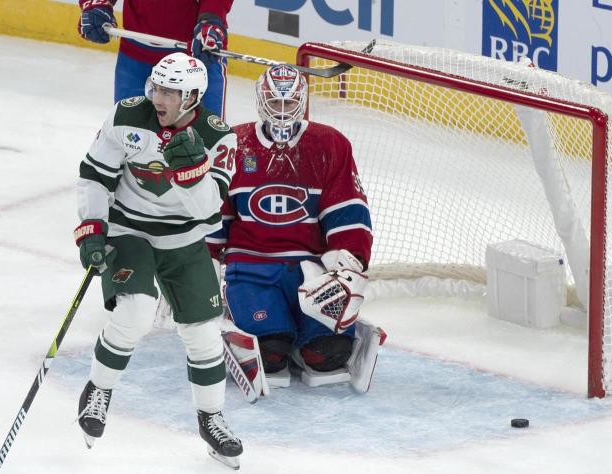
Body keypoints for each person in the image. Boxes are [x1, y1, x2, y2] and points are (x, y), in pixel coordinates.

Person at [73, 52, 242, 469]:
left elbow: (207, 213)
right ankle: (98, 390)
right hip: (128, 229)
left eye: (170, 91)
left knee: (204, 333)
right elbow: (95, 175)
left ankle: (211, 418)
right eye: (157, 87)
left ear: (192, 97)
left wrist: (192, 175)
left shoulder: (219, 137)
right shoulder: (129, 116)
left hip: (184, 239)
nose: (158, 98)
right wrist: (93, 227)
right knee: (135, 313)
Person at [207, 64, 386, 394]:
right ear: (262, 102)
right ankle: (273, 331)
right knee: (270, 353)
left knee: (328, 355)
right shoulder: (233, 144)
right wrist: (205, 260)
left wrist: (348, 256)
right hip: (252, 267)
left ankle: (307, 335)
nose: (283, 112)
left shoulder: (329, 144)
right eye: (276, 103)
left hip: (312, 272)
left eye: (290, 104)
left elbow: (347, 206)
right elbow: (216, 212)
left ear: (303, 102)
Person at [77, 0, 232, 117]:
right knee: (126, 141)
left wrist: (211, 18)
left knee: (206, 148)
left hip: (198, 57)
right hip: (135, 58)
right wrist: (96, 4)